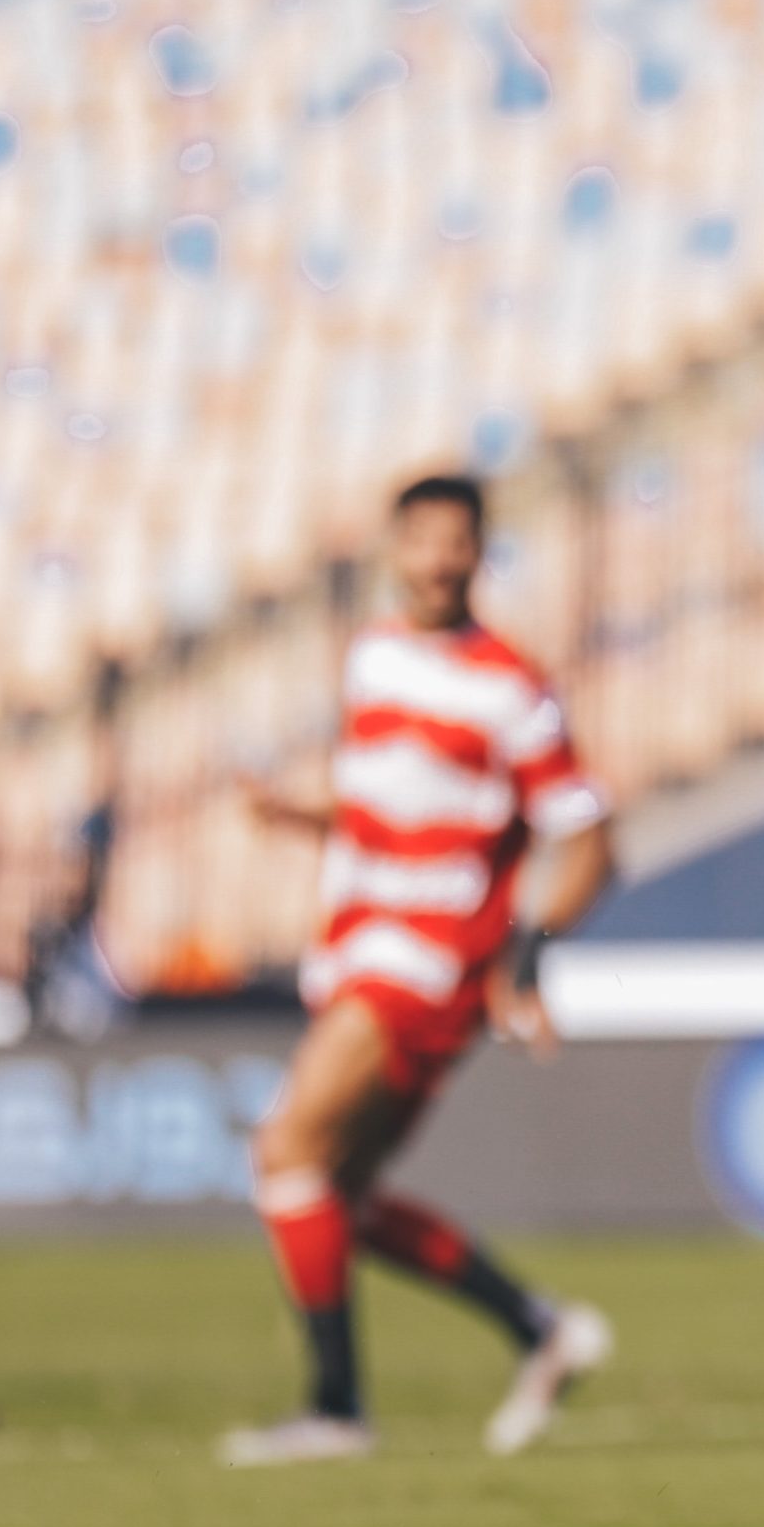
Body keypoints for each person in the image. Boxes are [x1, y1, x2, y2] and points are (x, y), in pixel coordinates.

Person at [223, 472, 617, 1465]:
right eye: (424, 540)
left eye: (458, 542)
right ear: (394, 549)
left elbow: (589, 837)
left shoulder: (510, 688)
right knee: (335, 1195)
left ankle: (335, 1409)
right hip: (359, 941)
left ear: (480, 553)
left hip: (429, 960)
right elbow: (381, 802)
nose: (440, 560)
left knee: (285, 1152)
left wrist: (530, 952)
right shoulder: (374, 656)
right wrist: (294, 813)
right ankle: (539, 1327)